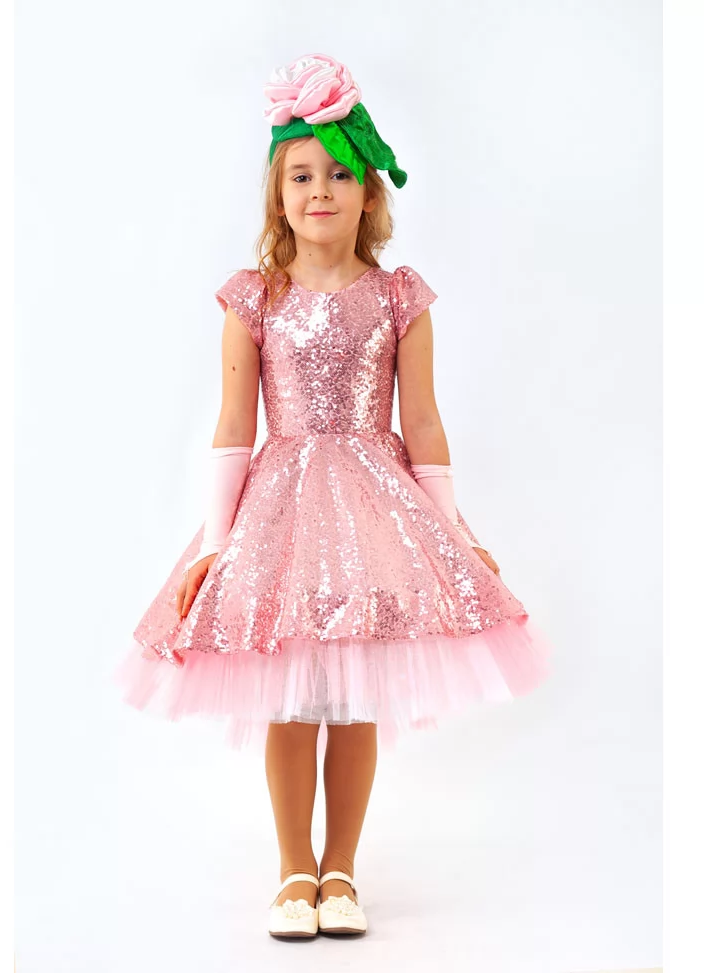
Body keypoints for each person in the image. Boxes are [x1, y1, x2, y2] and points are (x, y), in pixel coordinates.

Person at [113, 53, 552, 939]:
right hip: (278, 515)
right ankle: (293, 869)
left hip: (375, 512)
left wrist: (455, 532)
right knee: (290, 697)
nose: (321, 189)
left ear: (370, 191)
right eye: (301, 175)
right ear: (277, 196)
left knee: (353, 699)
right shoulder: (253, 301)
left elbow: (421, 422)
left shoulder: (398, 299)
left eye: (340, 173)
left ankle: (341, 868)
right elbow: (233, 426)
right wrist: (213, 544)